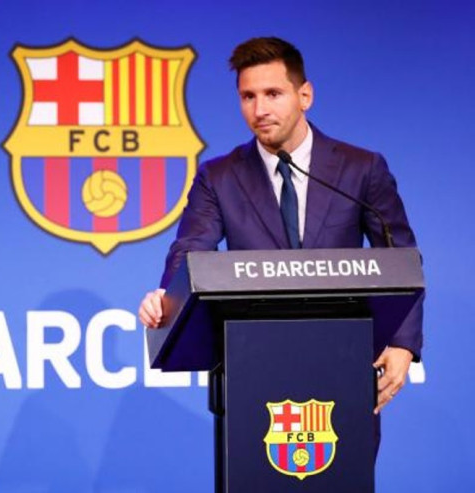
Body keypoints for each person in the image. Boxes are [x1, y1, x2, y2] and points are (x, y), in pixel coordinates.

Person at [138, 37, 422, 415]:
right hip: (251, 366)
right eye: (248, 96)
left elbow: (400, 255)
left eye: (273, 94)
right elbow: (190, 249)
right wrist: (167, 299)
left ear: (305, 96)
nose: (260, 109)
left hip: (345, 360)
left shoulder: (361, 168)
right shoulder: (219, 177)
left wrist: (402, 343)